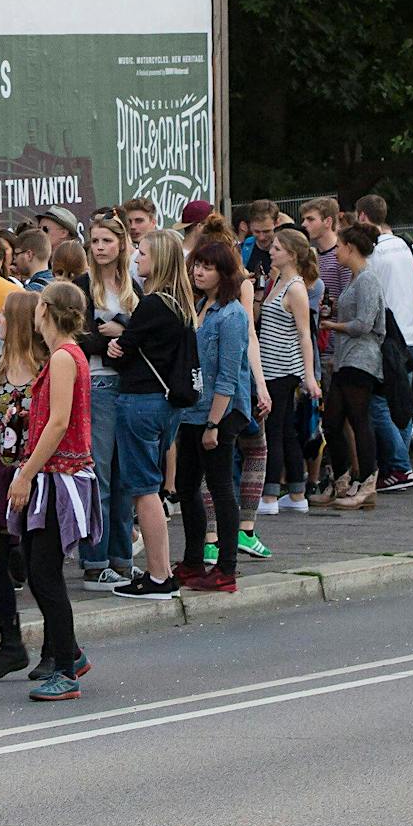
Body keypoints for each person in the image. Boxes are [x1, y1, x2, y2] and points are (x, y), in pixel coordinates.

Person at [9, 281, 99, 697]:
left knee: (45, 574)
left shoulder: (64, 357)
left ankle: (65, 667)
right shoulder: (65, 355)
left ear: (44, 309)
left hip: (57, 477)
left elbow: (58, 422)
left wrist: (25, 472)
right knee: (39, 568)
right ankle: (71, 652)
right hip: (54, 474)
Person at [107, 230, 194, 600]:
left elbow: (123, 349)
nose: (137, 259)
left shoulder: (153, 303)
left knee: (143, 490)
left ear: (158, 259)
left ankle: (159, 575)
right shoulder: (180, 303)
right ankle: (162, 571)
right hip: (166, 402)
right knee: (150, 487)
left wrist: (117, 338)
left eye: (141, 253)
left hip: (141, 400)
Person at [0, 288, 44, 680]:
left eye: (2, 315)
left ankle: (60, 646)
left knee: (40, 565)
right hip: (2, 476)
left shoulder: (48, 367)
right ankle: (11, 644)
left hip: (36, 476)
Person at [176, 242, 251, 587]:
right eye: (196, 266)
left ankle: (226, 568)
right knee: (186, 485)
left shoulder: (232, 315)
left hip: (221, 412)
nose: (198, 272)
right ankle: (193, 561)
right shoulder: (201, 306)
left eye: (207, 267)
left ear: (223, 273)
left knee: (220, 486)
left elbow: (229, 375)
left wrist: (214, 424)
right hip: (192, 409)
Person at [76, 213, 138, 586]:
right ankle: (94, 560)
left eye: (106, 242)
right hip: (97, 384)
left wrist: (123, 332)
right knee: (99, 474)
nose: (99, 248)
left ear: (120, 245)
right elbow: (80, 336)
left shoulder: (135, 287)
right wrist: (111, 341)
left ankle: (122, 559)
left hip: (130, 385)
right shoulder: (84, 287)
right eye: (95, 242)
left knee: (125, 478)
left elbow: (148, 332)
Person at [314, 223, 386, 510]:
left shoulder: (367, 279)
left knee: (358, 419)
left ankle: (368, 480)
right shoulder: (356, 279)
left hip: (361, 359)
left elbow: (364, 324)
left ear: (351, 248)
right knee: (332, 422)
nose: (337, 252)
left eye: (341, 247)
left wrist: (333, 325)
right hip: (347, 358)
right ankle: (342, 478)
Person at [354, 195, 413, 492]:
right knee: (403, 405)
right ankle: (399, 466)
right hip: (411, 335)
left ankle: (400, 466)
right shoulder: (405, 245)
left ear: (363, 217)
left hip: (388, 339)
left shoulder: (374, 255)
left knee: (379, 405)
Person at [257, 227, 320, 516]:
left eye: (278, 248)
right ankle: (296, 491)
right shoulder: (279, 282)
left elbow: (304, 333)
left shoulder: (295, 287)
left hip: (283, 367)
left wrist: (308, 375)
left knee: (275, 430)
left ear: (292, 254)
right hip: (273, 365)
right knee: (285, 430)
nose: (272, 251)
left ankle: (270, 494)